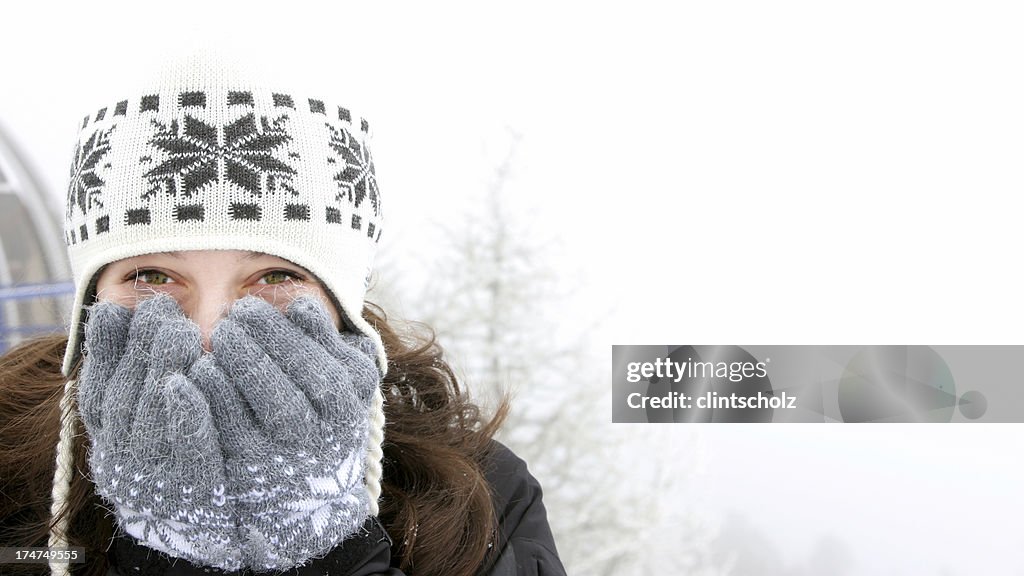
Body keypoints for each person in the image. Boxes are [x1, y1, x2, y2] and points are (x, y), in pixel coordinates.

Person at [0, 57, 566, 576]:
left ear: (340, 303)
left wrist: (326, 545)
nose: (209, 330)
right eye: (152, 278)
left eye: (273, 277)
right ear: (91, 299)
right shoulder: (8, 480)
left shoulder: (476, 496)